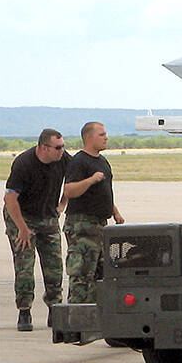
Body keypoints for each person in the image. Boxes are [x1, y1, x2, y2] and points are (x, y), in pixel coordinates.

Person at [3, 129, 70, 331]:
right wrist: (22, 229)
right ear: (43, 148)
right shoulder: (24, 163)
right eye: (57, 148)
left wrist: (62, 204)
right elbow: (10, 199)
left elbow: (73, 181)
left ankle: (54, 308)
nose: (62, 151)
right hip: (21, 216)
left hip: (47, 215)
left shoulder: (64, 159)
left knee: (54, 265)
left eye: (63, 146)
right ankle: (24, 311)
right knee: (25, 265)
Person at [63, 122, 124, 303]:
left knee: (100, 274)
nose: (106, 138)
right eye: (101, 135)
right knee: (82, 274)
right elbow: (69, 191)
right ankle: (76, 320)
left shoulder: (102, 161)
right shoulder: (79, 161)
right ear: (89, 137)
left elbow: (105, 191)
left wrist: (115, 212)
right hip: (82, 226)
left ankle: (94, 317)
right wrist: (90, 180)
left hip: (100, 225)